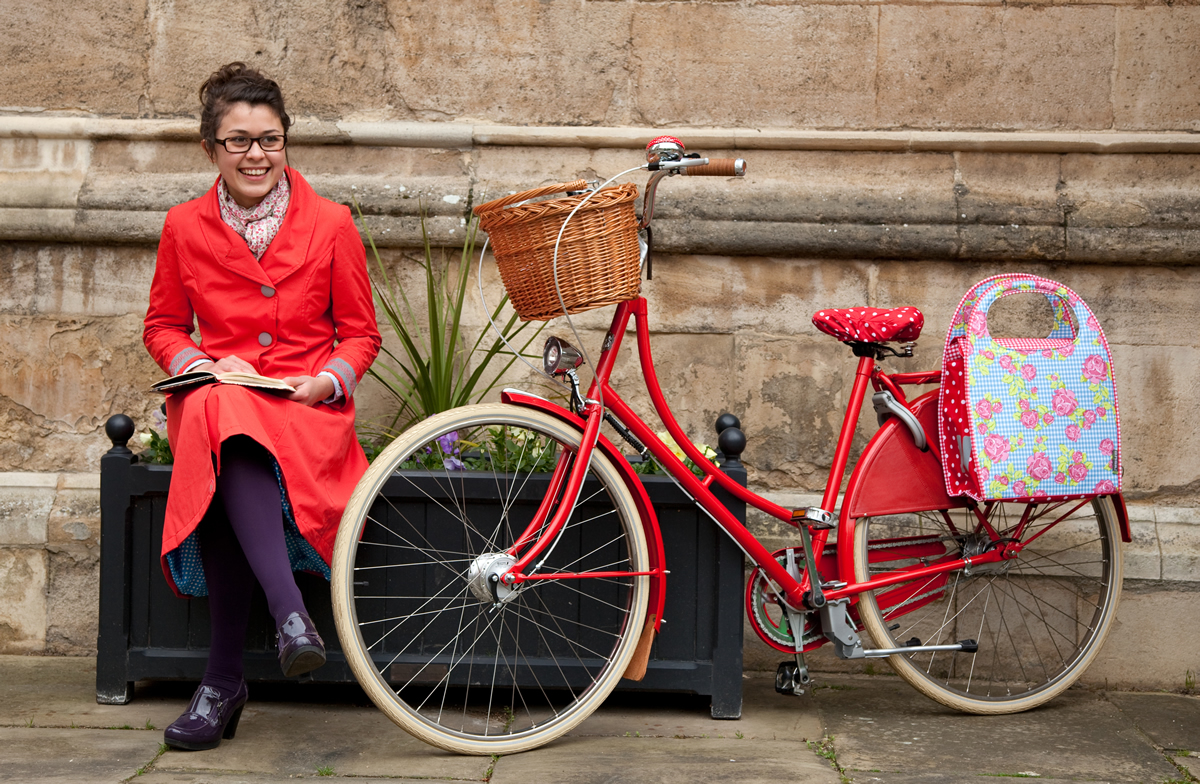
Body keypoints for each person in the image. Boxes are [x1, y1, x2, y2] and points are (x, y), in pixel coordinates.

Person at [143, 62, 381, 751]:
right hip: (217, 398)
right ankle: (289, 616)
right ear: (210, 149)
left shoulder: (331, 222)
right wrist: (199, 365)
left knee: (223, 456)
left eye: (270, 140)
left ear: (285, 142)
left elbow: (361, 335)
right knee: (222, 409)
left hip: (303, 407)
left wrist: (325, 381)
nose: (256, 155)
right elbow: (163, 327)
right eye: (239, 141)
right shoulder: (183, 226)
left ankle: (222, 683)